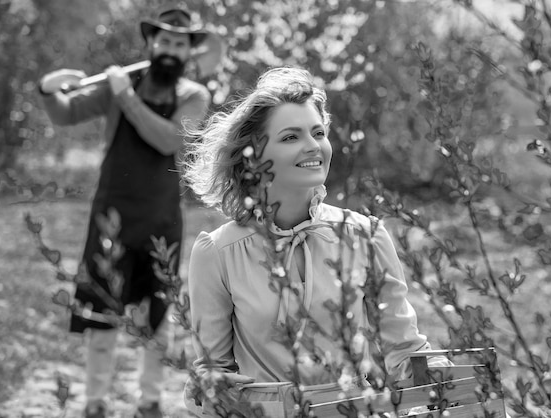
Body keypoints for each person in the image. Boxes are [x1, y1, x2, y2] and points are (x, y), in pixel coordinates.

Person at [181, 67, 451, 417]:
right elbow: (214, 369)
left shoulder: (365, 236)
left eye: (318, 132)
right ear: (253, 157)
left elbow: (402, 348)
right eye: (291, 137)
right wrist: (210, 384)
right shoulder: (216, 253)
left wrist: (446, 374)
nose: (313, 146)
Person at [37, 8, 223, 418]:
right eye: (165, 40)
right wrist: (49, 90)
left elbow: (168, 140)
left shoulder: (194, 95)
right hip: (111, 216)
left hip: (160, 220)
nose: (171, 49)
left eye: (180, 43)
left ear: (189, 51)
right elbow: (65, 113)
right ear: (151, 43)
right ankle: (95, 403)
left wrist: (125, 95)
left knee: (157, 317)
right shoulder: (120, 84)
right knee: (102, 312)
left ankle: (150, 401)